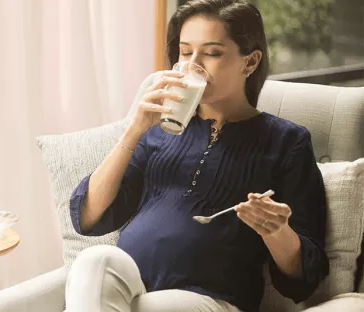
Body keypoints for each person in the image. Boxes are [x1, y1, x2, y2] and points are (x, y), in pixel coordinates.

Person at [65, 0, 329, 311]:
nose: (195, 65)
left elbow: (305, 277)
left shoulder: (287, 141)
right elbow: (89, 216)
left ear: (251, 61)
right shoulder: (157, 130)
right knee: (94, 260)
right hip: (128, 289)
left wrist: (277, 231)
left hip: (212, 299)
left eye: (213, 53)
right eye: (185, 52)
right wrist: (134, 129)